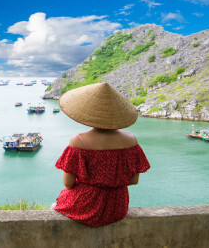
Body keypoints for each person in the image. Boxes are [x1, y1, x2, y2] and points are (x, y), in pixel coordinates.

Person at [53, 82, 150, 227]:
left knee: (56, 204)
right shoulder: (132, 141)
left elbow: (68, 183)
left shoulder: (78, 141)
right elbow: (133, 180)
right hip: (117, 207)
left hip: (85, 204)